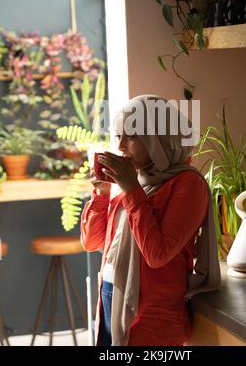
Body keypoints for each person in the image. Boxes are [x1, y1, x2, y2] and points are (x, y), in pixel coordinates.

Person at [80, 95, 220, 346]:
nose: (121, 145)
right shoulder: (136, 180)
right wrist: (101, 193)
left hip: (154, 320)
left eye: (131, 136)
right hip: (112, 299)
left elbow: (157, 254)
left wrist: (131, 189)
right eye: (118, 136)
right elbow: (91, 242)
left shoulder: (188, 184)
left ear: (159, 136)